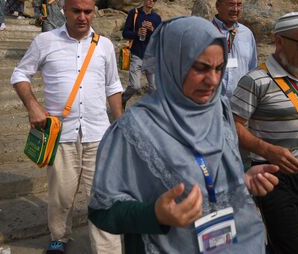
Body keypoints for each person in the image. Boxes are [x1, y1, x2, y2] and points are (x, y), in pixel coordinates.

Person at [89, 16, 279, 253]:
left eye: (219, 68)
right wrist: (155, 214)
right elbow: (101, 211)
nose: (212, 80)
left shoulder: (219, 110)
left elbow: (210, 172)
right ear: (172, 63)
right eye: (200, 68)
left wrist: (244, 180)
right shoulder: (134, 128)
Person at [11, 0, 124, 254]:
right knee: (61, 195)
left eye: (88, 11)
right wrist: (33, 106)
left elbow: (113, 86)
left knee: (103, 198)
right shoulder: (45, 41)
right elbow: (19, 75)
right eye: (76, 11)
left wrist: (121, 124)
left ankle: (108, 250)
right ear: (64, 10)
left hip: (99, 133)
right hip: (61, 134)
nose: (82, 17)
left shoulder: (105, 45)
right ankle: (59, 236)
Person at [231, 12, 298, 253]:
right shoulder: (255, 80)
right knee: (291, 247)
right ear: (279, 41)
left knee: (296, 240)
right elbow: (231, 126)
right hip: (272, 175)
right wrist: (268, 150)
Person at [211, 0, 257, 98]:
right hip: (213, 102)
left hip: (240, 101)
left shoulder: (247, 33)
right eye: (231, 4)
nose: (235, 9)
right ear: (218, 6)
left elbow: (252, 67)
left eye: (239, 5)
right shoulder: (206, 31)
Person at [121, 0, 162, 109]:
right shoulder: (134, 13)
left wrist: (153, 30)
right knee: (135, 86)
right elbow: (125, 33)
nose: (151, 0)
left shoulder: (156, 18)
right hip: (136, 54)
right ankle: (122, 99)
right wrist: (137, 33)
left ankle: (150, 110)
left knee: (154, 87)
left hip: (151, 56)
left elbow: (159, 37)